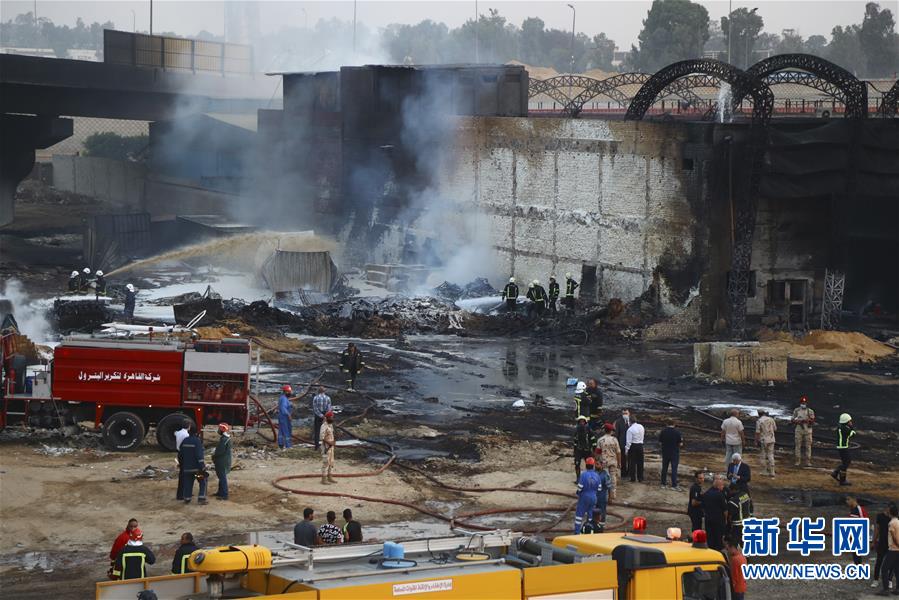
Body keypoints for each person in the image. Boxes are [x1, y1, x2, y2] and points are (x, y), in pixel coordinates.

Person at [178, 425, 207, 505]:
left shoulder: (185, 441)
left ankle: (187, 498)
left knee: (188, 483)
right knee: (202, 481)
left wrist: (181, 465)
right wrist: (203, 466)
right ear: (197, 433)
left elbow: (180, 454)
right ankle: (201, 498)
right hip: (197, 470)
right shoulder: (197, 441)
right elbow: (199, 456)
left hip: (187, 469)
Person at [876, 503, 899, 596]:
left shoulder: (892, 523)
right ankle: (898, 588)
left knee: (884, 568)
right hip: (897, 550)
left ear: (890, 512)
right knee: (897, 569)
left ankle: (886, 589)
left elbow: (894, 537)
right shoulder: (897, 521)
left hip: (893, 549)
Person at [574, 457, 601, 534]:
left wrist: (578, 493)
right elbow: (599, 489)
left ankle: (577, 532)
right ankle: (589, 532)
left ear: (586, 465)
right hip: (593, 497)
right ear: (593, 465)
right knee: (590, 515)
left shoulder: (583, 475)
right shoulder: (597, 475)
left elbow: (580, 487)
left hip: (584, 497)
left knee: (579, 516)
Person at [702, 475, 728, 551]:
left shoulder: (706, 493)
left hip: (708, 519)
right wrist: (726, 520)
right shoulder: (720, 495)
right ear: (718, 486)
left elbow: (703, 507)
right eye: (722, 485)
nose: (723, 487)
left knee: (710, 538)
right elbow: (725, 510)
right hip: (718, 521)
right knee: (718, 539)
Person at [597, 423, 621, 500]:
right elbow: (618, 452)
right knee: (613, 477)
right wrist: (619, 462)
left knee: (605, 478)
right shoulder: (614, 440)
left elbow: (597, 452)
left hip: (604, 462)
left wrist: (596, 461)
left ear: (604, 430)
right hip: (613, 461)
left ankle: (606, 496)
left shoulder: (600, 440)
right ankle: (613, 494)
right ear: (611, 431)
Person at [830, 413, 856, 486]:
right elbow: (853, 434)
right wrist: (852, 428)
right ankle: (842, 480)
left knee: (845, 462)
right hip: (843, 447)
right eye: (850, 421)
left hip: (841, 447)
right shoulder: (845, 429)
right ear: (846, 421)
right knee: (846, 462)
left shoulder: (840, 427)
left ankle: (835, 473)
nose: (851, 422)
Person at [791, 395, 815, 467]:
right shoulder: (796, 410)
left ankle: (808, 461)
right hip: (799, 429)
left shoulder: (810, 411)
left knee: (808, 446)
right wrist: (798, 421)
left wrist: (807, 421)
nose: (803, 404)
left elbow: (812, 420)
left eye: (804, 403)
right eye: (802, 402)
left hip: (808, 430)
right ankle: (797, 461)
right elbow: (792, 419)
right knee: (798, 445)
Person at [659, 420, 683, 488]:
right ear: (674, 424)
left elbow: (660, 442)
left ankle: (663, 483)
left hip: (665, 452)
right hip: (674, 453)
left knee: (664, 468)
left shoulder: (663, 431)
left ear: (667, 424)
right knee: (674, 469)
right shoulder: (677, 432)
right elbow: (680, 444)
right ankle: (674, 485)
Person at [846, 496, 869, 567]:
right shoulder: (853, 510)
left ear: (854, 499)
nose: (847, 501)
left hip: (858, 536)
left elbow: (864, 521)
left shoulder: (859, 510)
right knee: (856, 556)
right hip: (854, 536)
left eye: (848, 499)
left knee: (857, 556)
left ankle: (859, 572)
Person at [212, 423, 232, 500]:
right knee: (221, 477)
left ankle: (224, 495)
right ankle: (220, 492)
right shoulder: (226, 438)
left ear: (222, 430)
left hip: (222, 462)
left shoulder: (224, 440)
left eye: (219, 429)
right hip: (224, 461)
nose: (218, 430)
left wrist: (213, 457)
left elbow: (219, 452)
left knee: (222, 478)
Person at [755, 409, 777, 477]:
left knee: (763, 455)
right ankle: (772, 472)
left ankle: (764, 471)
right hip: (771, 438)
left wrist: (756, 440)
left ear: (759, 414)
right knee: (770, 455)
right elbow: (775, 429)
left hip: (763, 440)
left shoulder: (759, 421)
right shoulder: (771, 419)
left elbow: (757, 432)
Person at [573, 415, 596, 482]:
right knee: (577, 464)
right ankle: (578, 478)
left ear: (585, 422)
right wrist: (575, 451)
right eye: (580, 421)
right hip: (579, 450)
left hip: (587, 450)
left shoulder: (589, 430)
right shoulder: (577, 430)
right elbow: (575, 441)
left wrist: (594, 449)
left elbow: (593, 440)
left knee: (589, 464)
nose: (581, 423)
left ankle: (589, 478)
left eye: (583, 421)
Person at [593, 457, 612, 527]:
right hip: (593, 497)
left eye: (597, 464)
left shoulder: (605, 475)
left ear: (601, 465)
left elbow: (609, 487)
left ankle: (602, 526)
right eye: (595, 464)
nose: (596, 465)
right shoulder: (592, 473)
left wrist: (610, 497)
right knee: (593, 511)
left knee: (602, 512)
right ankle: (594, 525)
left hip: (602, 497)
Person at [625, 415, 645, 483]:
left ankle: (633, 478)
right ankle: (640, 478)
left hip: (633, 446)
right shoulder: (641, 426)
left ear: (630, 421)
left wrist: (626, 450)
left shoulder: (630, 429)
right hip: (640, 445)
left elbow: (628, 441)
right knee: (640, 462)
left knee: (632, 463)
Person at [311, 386, 331, 451]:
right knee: (325, 431)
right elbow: (329, 409)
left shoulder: (315, 398)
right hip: (326, 416)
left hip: (318, 416)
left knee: (317, 431)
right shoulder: (328, 398)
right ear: (324, 391)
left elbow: (315, 408)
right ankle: (326, 446)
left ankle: (316, 446)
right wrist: (325, 416)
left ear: (318, 391)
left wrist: (321, 415)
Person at [174, 420, 190, 500]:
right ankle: (181, 494)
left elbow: (175, 433)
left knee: (182, 473)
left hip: (179, 452)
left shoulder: (178, 433)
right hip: (185, 453)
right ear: (188, 426)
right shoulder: (186, 435)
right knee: (184, 475)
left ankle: (182, 493)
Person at [613, 409, 631, 478]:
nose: (625, 415)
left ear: (629, 413)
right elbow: (617, 434)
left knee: (630, 459)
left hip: (630, 444)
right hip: (622, 443)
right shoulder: (618, 422)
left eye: (626, 413)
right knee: (623, 459)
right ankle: (623, 474)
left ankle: (630, 473)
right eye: (624, 414)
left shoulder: (631, 421)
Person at [320, 410, 336, 485]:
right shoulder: (324, 426)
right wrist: (330, 442)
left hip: (331, 447)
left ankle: (330, 477)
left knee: (331, 462)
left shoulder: (330, 425)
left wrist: (333, 442)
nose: (332, 418)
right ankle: (324, 479)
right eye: (331, 417)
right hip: (326, 447)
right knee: (326, 462)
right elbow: (322, 437)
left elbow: (331, 434)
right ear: (328, 417)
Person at [278, 384, 294, 450]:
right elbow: (283, 408)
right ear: (285, 391)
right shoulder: (284, 399)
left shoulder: (283, 398)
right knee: (287, 431)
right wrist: (289, 415)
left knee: (281, 431)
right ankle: (288, 446)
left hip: (282, 416)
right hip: (285, 417)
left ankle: (281, 444)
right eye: (289, 392)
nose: (290, 393)